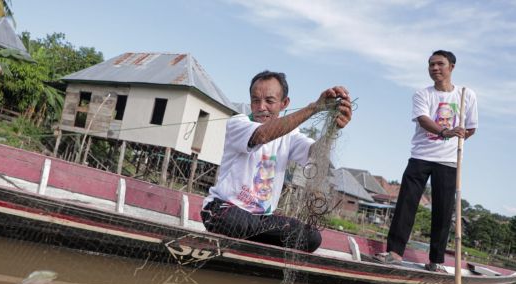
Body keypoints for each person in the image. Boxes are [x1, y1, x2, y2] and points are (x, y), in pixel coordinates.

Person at [201, 70, 352, 252]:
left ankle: (254, 246)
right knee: (238, 222)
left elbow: (314, 153)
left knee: (311, 237)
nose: (261, 107)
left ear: (284, 103)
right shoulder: (238, 123)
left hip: (260, 219)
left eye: (269, 101)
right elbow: (263, 134)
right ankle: (256, 243)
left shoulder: (290, 135)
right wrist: (314, 107)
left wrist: (332, 129)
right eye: (256, 100)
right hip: (223, 209)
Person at [374, 50, 478, 272]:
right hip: (421, 156)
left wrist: (456, 139)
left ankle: (436, 261)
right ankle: (394, 253)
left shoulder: (466, 95)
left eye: (440, 64)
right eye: (431, 64)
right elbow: (423, 120)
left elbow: (470, 128)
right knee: (406, 205)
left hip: (448, 161)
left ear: (452, 67)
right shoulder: (423, 94)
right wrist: (445, 133)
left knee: (442, 211)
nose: (435, 68)